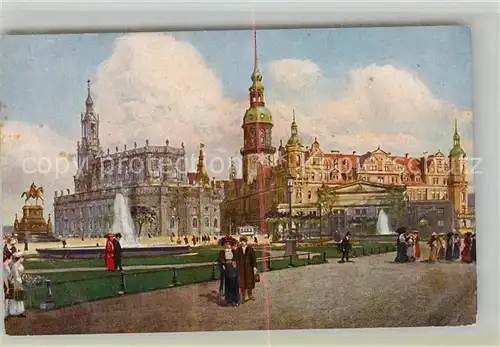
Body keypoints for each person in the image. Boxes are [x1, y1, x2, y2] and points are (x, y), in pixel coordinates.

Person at [218, 239, 240, 306]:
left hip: (233, 268)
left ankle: (236, 300)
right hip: (227, 269)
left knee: (235, 284)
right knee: (228, 284)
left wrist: (234, 261)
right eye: (226, 244)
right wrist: (223, 264)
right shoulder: (222, 252)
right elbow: (220, 259)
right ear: (224, 245)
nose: (228, 246)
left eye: (229, 244)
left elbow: (237, 258)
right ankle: (229, 300)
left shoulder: (234, 251)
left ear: (231, 245)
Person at [236, 236, 258, 304]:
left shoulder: (250, 249)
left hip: (249, 268)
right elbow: (237, 259)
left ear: (246, 242)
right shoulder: (238, 249)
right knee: (242, 283)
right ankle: (244, 297)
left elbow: (253, 258)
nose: (243, 242)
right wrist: (237, 267)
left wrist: (254, 267)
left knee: (250, 282)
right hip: (241, 268)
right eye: (241, 241)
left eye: (244, 241)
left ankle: (250, 295)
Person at [9, 252, 26, 317]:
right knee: (14, 297)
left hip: (19, 281)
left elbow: (21, 274)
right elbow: (16, 276)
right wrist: (19, 283)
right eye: (22, 257)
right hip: (15, 282)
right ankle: (13, 312)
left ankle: (20, 311)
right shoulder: (15, 265)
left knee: (20, 296)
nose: (23, 258)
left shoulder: (20, 265)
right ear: (19, 258)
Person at [3, 250, 13, 321]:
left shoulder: (5, 265)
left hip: (6, 283)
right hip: (5, 285)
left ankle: (6, 314)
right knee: (6, 300)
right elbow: (5, 278)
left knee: (6, 300)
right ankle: (5, 315)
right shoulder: (5, 266)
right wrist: (8, 288)